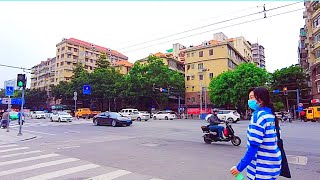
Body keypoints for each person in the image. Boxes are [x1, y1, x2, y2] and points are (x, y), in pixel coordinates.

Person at [230, 87, 282, 180]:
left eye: (252, 97)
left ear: (260, 99)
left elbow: (253, 147)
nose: (249, 101)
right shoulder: (271, 115)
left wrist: (239, 168)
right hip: (272, 166)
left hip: (260, 170)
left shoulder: (258, 116)